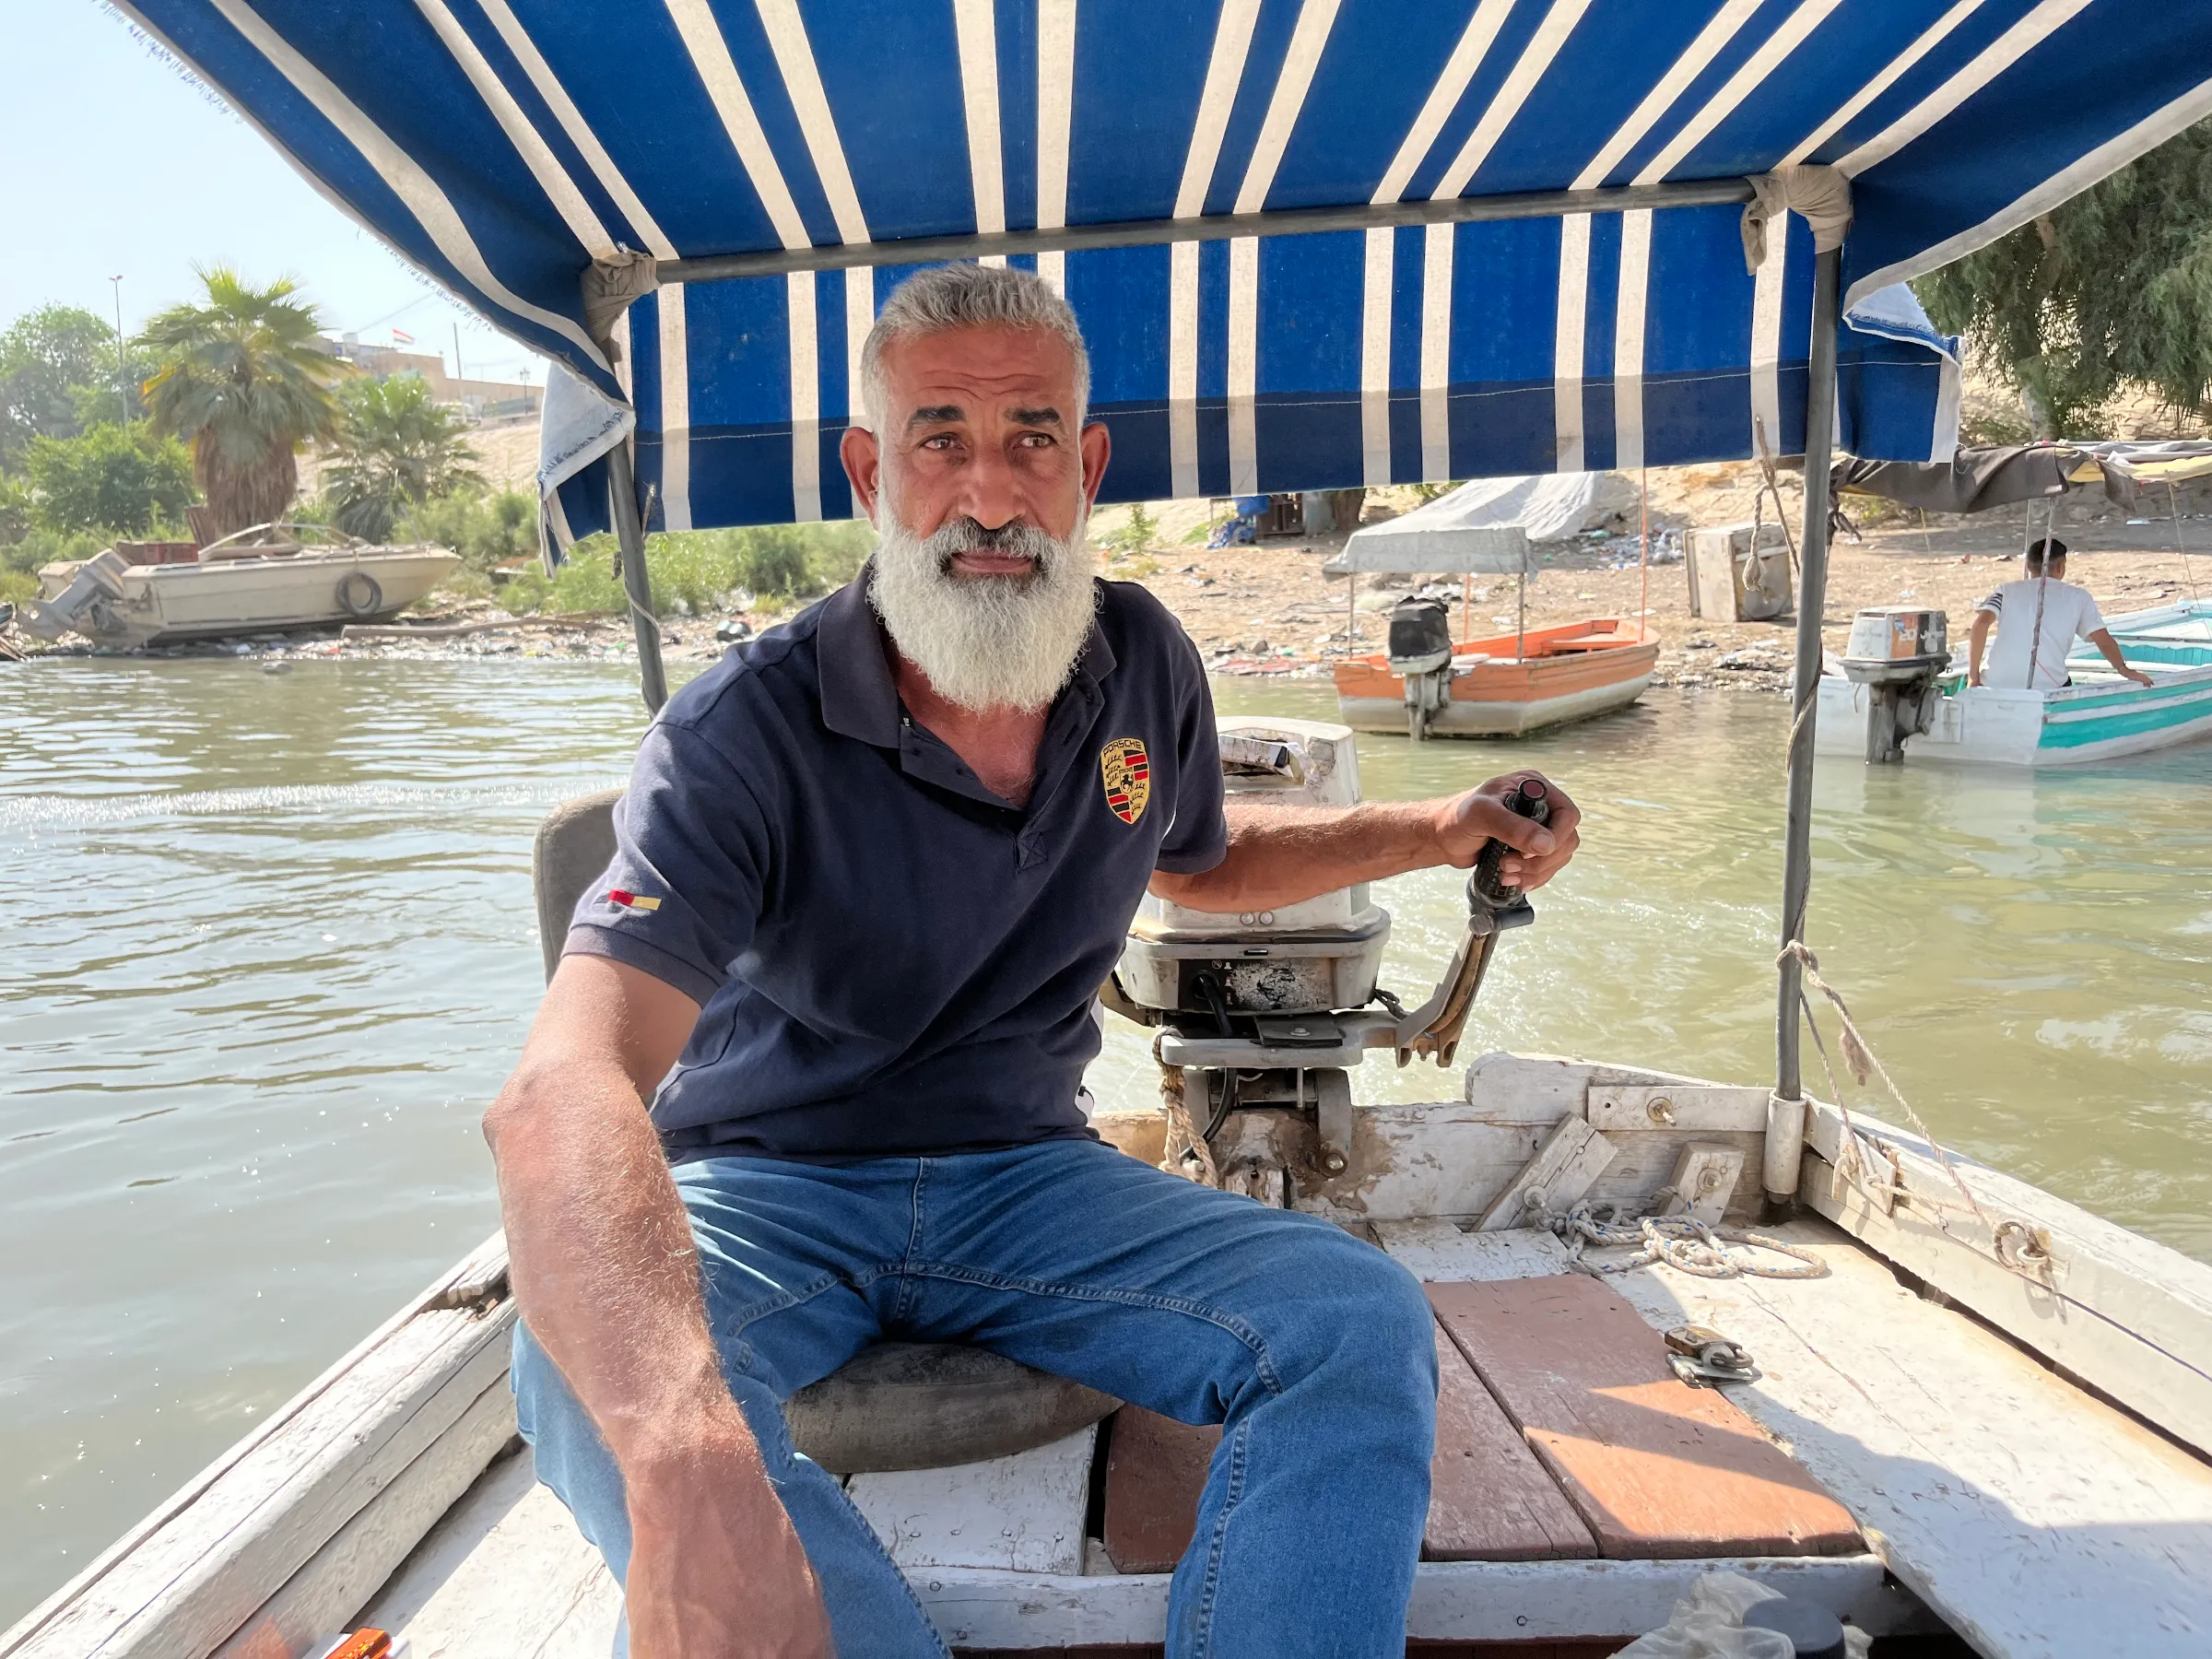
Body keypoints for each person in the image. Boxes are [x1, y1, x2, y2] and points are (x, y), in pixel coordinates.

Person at [485, 263, 1581, 1659]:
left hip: (1031, 1179)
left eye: (1031, 440)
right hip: (770, 1187)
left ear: (1089, 466)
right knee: (589, 1379)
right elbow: (567, 1079)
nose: (990, 495)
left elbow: (1203, 859)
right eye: (942, 439)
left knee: (1353, 1317)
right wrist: (689, 1462)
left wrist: (1438, 828)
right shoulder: (739, 735)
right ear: (874, 469)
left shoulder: (1137, 660)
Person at [1967, 535, 2153, 689]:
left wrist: (1973, 676)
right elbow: (2103, 639)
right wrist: (2124, 669)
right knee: (2065, 683)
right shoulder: (2079, 597)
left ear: (2029, 566)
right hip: (2048, 685)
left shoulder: (2005, 590)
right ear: (2060, 567)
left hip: (1994, 682)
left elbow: (1980, 625)